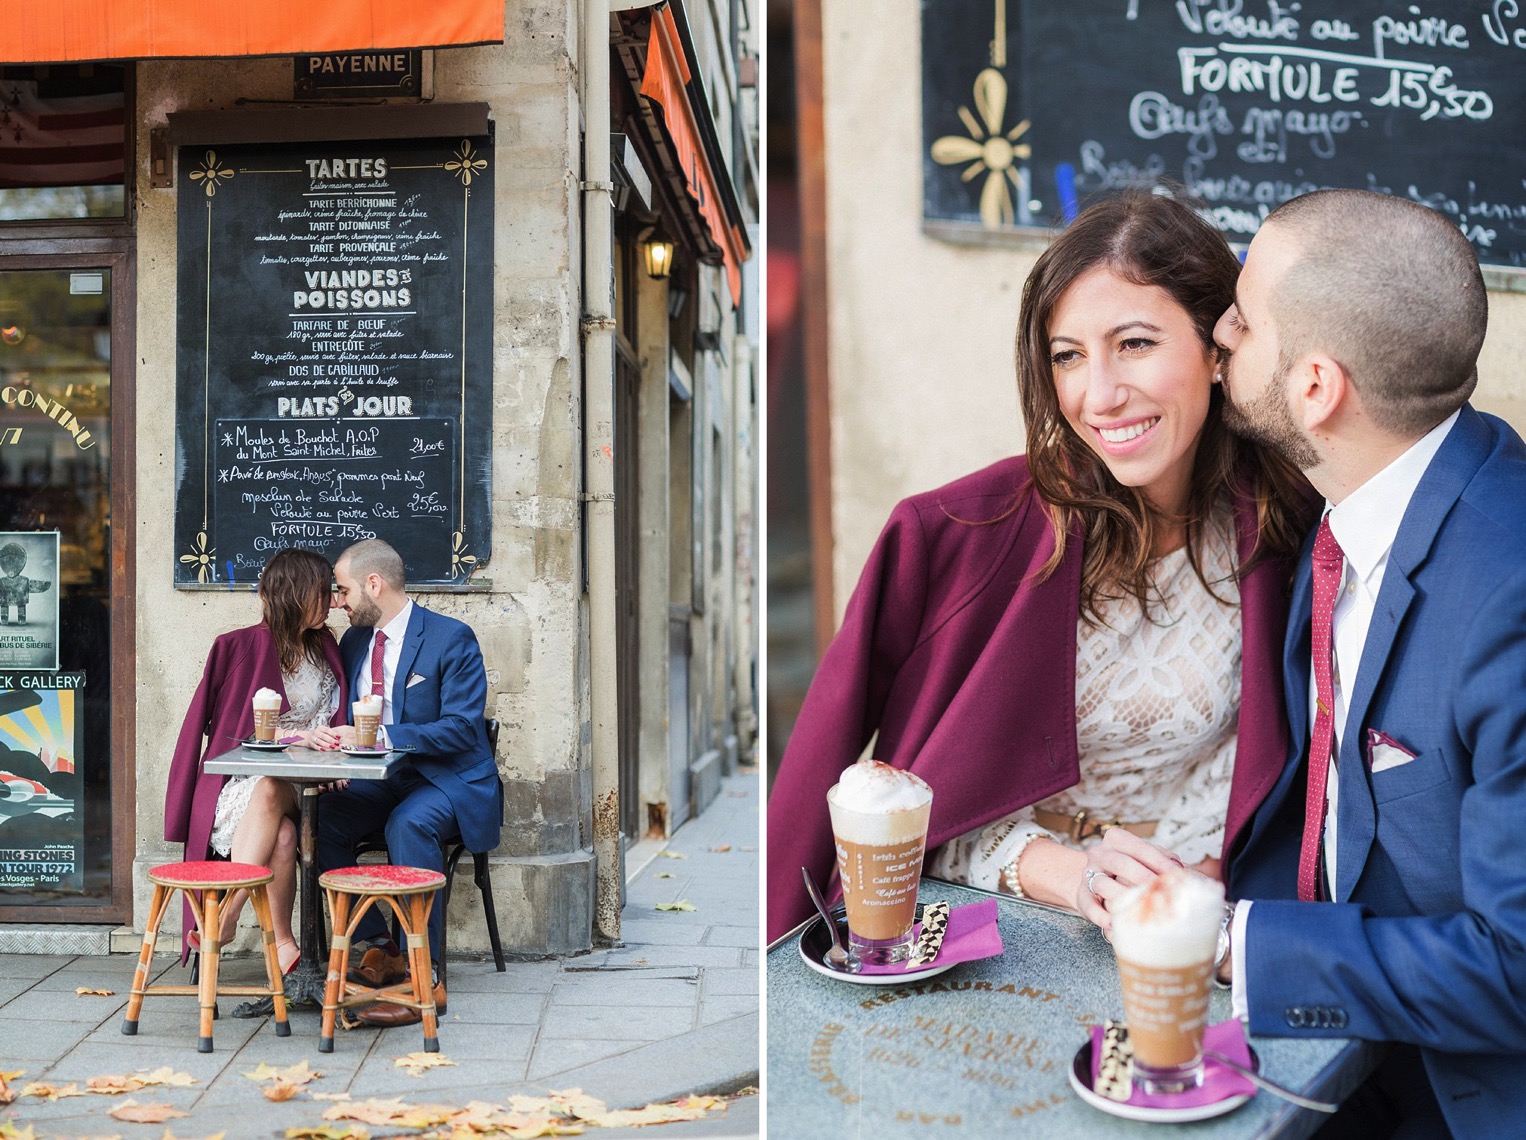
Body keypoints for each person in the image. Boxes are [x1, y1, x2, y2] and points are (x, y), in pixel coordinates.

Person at [766, 191, 1312, 942]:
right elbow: (847, 795)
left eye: (1135, 344)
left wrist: (1210, 877)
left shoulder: (1285, 528)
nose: (1100, 395)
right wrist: (1073, 875)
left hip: (1198, 932)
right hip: (994, 928)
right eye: (1068, 356)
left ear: (1217, 349)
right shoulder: (956, 535)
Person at [1206, 188, 1526, 1139]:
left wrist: (1239, 943)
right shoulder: (1356, 507)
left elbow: (1516, 969)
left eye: (1243, 315)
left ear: (1316, 386)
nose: (1219, 327)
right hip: (1339, 1052)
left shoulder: (1509, 594)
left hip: (1463, 1099)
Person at [312, 537, 500, 1026]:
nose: (339, 601)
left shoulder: (450, 637)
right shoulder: (354, 640)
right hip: (378, 779)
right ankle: (383, 944)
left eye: (344, 589)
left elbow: (462, 727)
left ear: (374, 584)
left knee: (407, 826)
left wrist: (384, 735)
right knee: (320, 818)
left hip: (443, 778)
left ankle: (425, 978)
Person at [164, 547, 349, 970]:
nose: (334, 602)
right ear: (298, 594)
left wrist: (336, 749)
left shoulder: (326, 645)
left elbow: (340, 717)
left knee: (271, 791)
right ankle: (283, 946)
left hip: (316, 780)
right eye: (324, 592)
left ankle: (226, 916)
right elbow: (230, 732)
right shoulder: (240, 646)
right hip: (249, 782)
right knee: (282, 835)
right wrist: (299, 735)